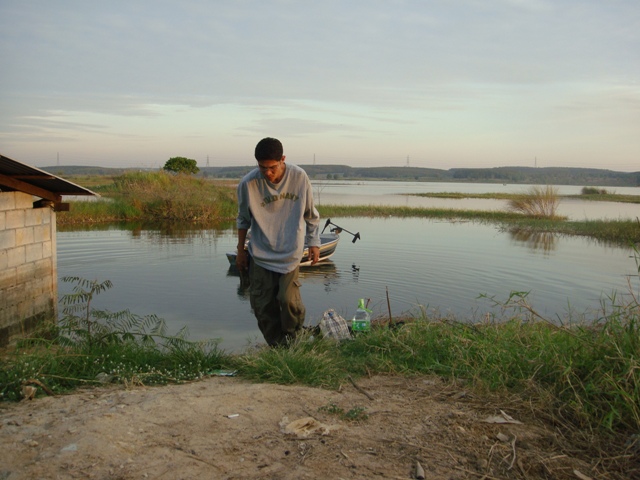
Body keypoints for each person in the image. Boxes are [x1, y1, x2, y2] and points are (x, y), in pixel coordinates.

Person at [236, 137, 321, 346]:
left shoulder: (299, 177)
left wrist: (314, 242)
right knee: (262, 306)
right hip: (261, 253)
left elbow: (311, 214)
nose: (267, 173)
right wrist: (240, 250)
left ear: (282, 159)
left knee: (288, 300)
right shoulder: (248, 183)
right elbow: (243, 219)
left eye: (272, 167)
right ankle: (277, 347)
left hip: (290, 252)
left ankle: (293, 340)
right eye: (262, 167)